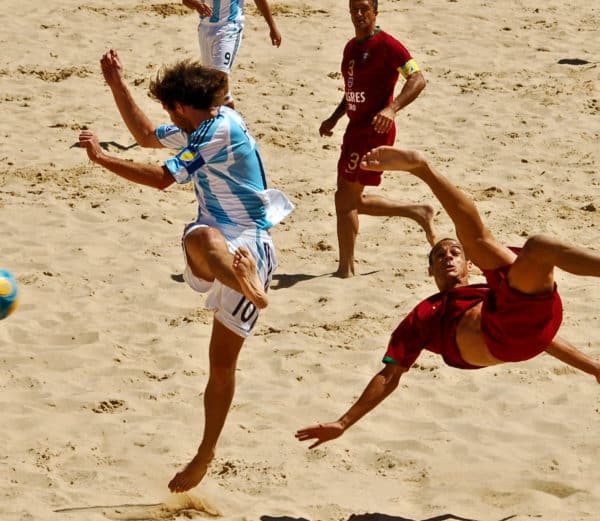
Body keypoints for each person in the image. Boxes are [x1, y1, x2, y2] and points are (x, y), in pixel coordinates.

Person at [79, 49, 294, 491]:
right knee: (201, 237)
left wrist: (102, 160)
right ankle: (244, 283)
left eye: (167, 109)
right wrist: (117, 82)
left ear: (180, 107)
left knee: (220, 363)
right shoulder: (197, 126)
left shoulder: (218, 129)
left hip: (250, 246)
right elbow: (142, 135)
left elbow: (161, 179)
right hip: (230, 253)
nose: (165, 117)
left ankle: (204, 453)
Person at [296, 146, 600, 449]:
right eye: (439, 255)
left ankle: (422, 169)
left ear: (469, 266)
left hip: (524, 318)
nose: (447, 257)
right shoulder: (425, 312)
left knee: (538, 246)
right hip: (497, 337)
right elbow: (390, 375)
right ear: (430, 270)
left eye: (455, 253)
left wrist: (595, 368)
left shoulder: (487, 290)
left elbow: (541, 336)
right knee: (494, 242)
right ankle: (422, 170)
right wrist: (344, 422)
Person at [320, 0, 435, 278]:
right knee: (349, 198)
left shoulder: (387, 46)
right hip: (353, 128)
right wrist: (335, 118)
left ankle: (345, 270)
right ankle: (417, 212)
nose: (358, 15)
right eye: (354, 9)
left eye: (364, 9)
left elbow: (417, 79)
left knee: (345, 197)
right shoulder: (351, 48)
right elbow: (351, 92)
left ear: (375, 12)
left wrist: (392, 109)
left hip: (374, 130)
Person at [181, 0, 282, 107]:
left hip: (229, 27)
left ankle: (231, 122)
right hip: (205, 29)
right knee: (214, 86)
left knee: (218, 79)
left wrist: (272, 26)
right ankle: (224, 118)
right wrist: (197, 5)